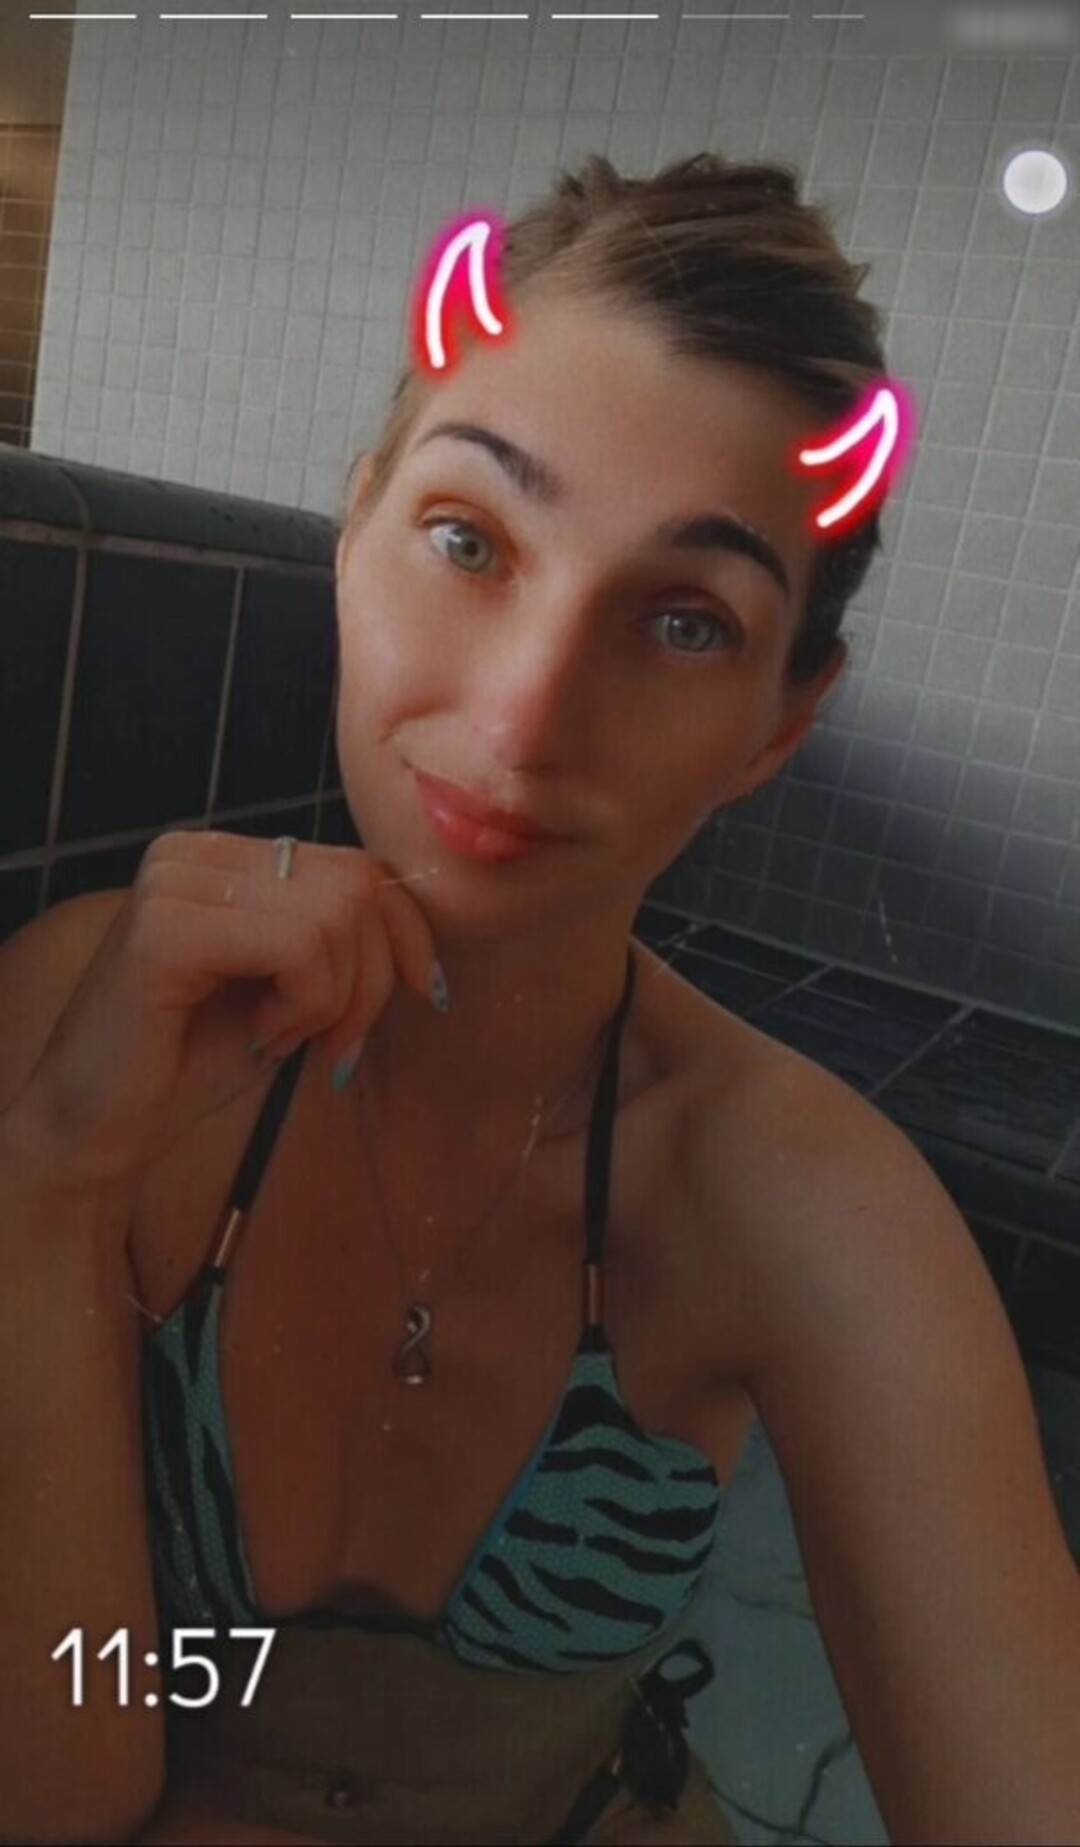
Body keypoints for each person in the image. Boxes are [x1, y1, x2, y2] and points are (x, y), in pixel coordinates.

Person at [1, 150, 1078, 1847]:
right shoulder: (87, 1019)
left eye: (686, 623)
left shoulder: (801, 1205)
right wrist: (46, 1190)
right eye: (467, 538)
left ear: (781, 727)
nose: (522, 717)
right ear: (354, 532)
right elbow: (57, 1769)